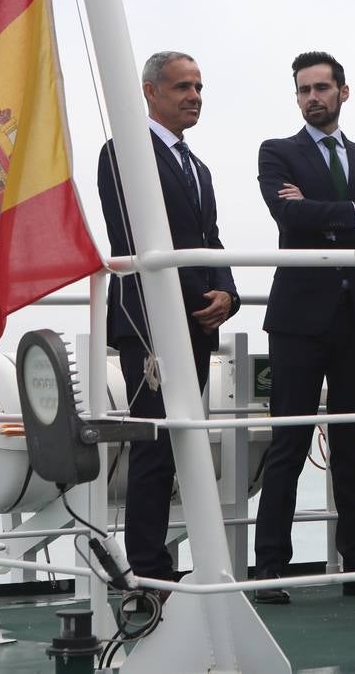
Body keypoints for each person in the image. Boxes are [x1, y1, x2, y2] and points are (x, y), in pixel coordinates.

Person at [251, 50, 355, 604]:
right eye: (303, 90)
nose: (312, 97)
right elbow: (288, 215)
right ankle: (270, 568)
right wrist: (354, 211)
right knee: (287, 445)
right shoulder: (277, 152)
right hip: (297, 320)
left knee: (350, 446)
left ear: (343, 91)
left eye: (321, 87)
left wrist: (326, 210)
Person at [96, 50, 239, 586]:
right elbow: (133, 239)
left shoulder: (197, 168)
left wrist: (226, 293)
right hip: (148, 325)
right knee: (153, 448)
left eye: (199, 87)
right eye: (182, 87)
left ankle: (178, 566)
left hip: (198, 322)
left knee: (183, 442)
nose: (194, 97)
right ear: (151, 92)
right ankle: (149, 573)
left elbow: (209, 240)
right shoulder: (122, 154)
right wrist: (201, 296)